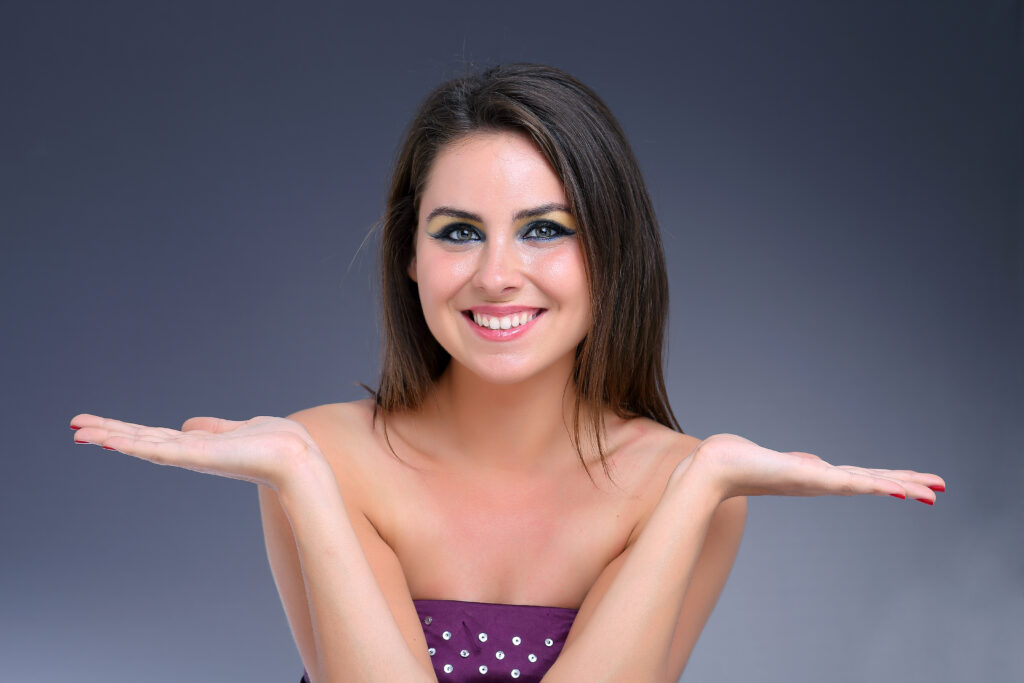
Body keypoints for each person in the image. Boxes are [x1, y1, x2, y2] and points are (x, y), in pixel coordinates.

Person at [69, 63, 944, 683]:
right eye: (458, 231)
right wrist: (298, 474)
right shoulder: (316, 457)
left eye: (544, 229)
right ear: (410, 256)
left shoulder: (688, 490)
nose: (496, 275)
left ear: (612, 253)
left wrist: (705, 476)